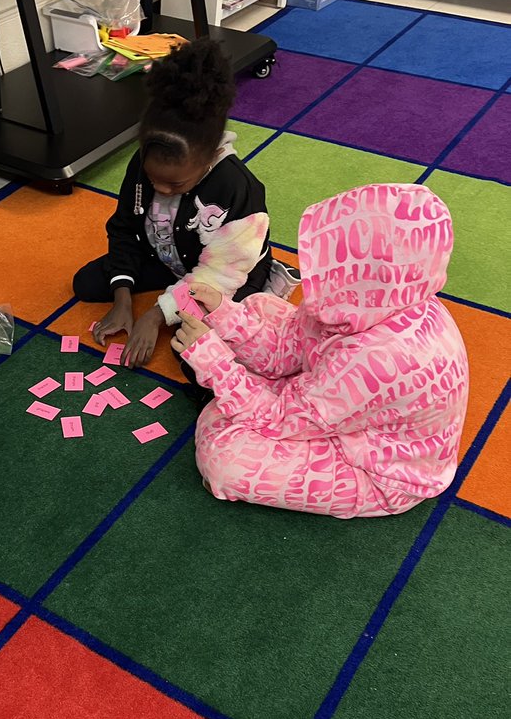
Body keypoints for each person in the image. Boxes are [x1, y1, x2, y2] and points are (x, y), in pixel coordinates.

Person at [172, 184, 469, 518]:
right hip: (336, 399)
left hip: (379, 472)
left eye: (329, 261)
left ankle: (252, 393)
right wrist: (222, 311)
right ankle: (256, 390)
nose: (317, 272)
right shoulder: (376, 293)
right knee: (259, 306)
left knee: (224, 459)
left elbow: (282, 418)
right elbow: (288, 346)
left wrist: (216, 366)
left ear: (365, 271)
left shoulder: (379, 357)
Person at [73, 36, 273, 368]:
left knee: (193, 356)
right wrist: (122, 298)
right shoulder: (144, 162)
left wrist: (156, 315)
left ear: (209, 157)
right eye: (154, 181)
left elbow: (219, 274)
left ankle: (235, 292)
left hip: (230, 272)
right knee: (87, 283)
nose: (161, 190)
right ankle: (171, 289)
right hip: (170, 257)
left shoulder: (238, 189)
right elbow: (124, 228)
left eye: (176, 184)